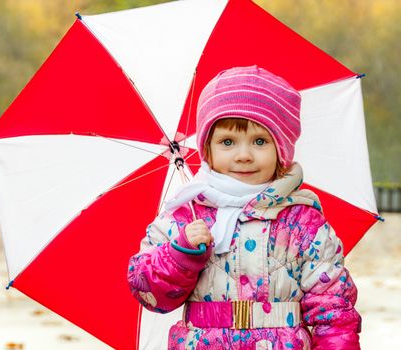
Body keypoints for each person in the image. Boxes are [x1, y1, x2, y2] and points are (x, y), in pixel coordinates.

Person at [127, 66, 361, 349]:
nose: (243, 155)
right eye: (227, 142)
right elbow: (149, 291)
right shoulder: (184, 215)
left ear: (282, 150)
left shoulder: (303, 222)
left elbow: (333, 310)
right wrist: (181, 254)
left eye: (260, 141)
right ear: (208, 149)